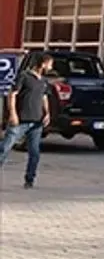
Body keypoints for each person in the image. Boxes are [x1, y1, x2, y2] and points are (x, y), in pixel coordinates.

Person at [0, 54, 53, 189]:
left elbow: (44, 97)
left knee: (34, 153)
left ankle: (29, 180)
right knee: (4, 149)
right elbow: (12, 95)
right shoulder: (24, 76)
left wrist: (47, 113)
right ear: (43, 64)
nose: (51, 67)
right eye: (49, 64)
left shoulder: (44, 81)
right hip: (21, 121)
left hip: (37, 122)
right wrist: (13, 114)